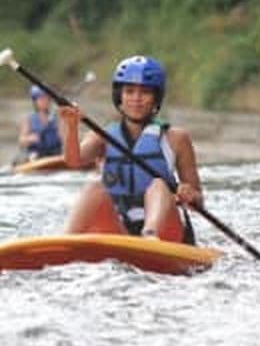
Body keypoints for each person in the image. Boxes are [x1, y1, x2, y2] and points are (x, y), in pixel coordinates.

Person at [58, 55, 203, 243]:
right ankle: (66, 241)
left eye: (145, 92)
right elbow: (73, 161)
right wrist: (71, 126)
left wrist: (190, 195)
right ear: (120, 95)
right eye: (129, 91)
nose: (136, 98)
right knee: (94, 187)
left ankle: (149, 236)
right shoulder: (102, 136)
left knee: (159, 186)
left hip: (166, 232)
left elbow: (198, 200)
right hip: (121, 229)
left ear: (156, 97)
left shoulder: (177, 138)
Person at [17, 85, 62, 162]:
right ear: (35, 101)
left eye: (47, 98)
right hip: (36, 154)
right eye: (41, 99)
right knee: (31, 156)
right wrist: (30, 138)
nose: (45, 101)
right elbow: (21, 140)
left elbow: (64, 138)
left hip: (55, 153)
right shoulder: (29, 119)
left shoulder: (57, 118)